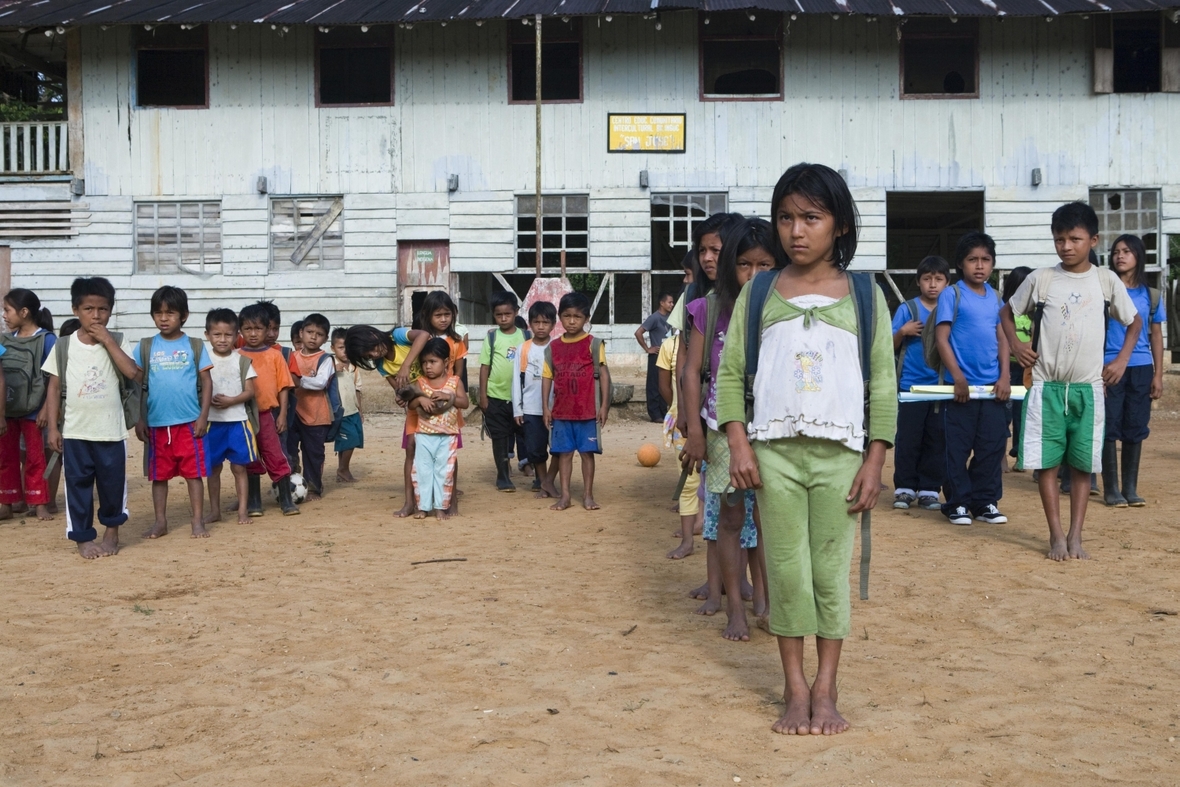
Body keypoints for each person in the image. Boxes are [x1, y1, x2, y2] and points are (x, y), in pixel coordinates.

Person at [718, 162, 896, 736]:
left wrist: (875, 459)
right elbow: (730, 375)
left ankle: (828, 686)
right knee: (787, 573)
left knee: (829, 575)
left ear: (839, 225)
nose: (797, 230)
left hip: (841, 458)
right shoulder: (759, 292)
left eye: (811, 218)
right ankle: (795, 690)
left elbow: (883, 385)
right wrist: (739, 443)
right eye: (786, 217)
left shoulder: (866, 294)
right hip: (773, 456)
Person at [1002, 202, 1140, 560]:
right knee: (1048, 464)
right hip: (1047, 387)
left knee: (1081, 466)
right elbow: (1007, 311)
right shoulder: (1041, 279)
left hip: (1089, 389)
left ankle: (1076, 535)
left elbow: (1135, 321)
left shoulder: (1105, 280)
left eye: (1075, 239)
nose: (1066, 246)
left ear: (1092, 240)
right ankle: (1055, 536)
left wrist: (1122, 360)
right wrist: (1018, 345)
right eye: (1059, 239)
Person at [681, 216, 775, 641]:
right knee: (731, 519)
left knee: (769, 521)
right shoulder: (708, 308)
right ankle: (735, 607)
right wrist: (695, 433)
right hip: (721, 430)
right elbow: (689, 372)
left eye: (765, 266)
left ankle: (768, 603)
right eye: (744, 265)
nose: (754, 276)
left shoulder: (782, 310)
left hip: (773, 429)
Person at [43, 278, 140, 558]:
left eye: (103, 309)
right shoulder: (63, 346)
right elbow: (53, 387)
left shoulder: (119, 340)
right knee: (77, 486)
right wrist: (53, 428)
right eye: (88, 309)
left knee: (113, 485)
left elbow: (132, 372)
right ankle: (83, 538)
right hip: (75, 432)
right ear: (76, 310)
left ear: (110, 311)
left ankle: (112, 534)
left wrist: (107, 340)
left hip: (111, 431)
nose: (96, 316)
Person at [934, 232, 1011, 526]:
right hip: (960, 390)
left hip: (993, 390)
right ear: (961, 264)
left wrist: (1004, 376)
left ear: (992, 264)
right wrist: (958, 377)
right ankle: (957, 503)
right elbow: (942, 339)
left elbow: (1002, 339)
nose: (979, 266)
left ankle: (985, 501)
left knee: (992, 446)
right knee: (957, 447)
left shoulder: (996, 298)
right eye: (972, 260)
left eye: (985, 260)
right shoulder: (951, 295)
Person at [135, 286, 213, 539]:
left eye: (170, 313)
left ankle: (197, 521)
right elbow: (136, 383)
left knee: (193, 475)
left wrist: (203, 416)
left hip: (189, 424)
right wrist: (140, 418)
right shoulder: (146, 347)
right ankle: (160, 522)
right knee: (159, 477)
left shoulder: (195, 345)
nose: (164, 318)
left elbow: (207, 382)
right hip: (157, 424)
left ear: (184, 316)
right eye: (158, 313)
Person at [1099, 234, 1164, 507]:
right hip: (1109, 366)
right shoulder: (1104, 291)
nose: (1120, 256)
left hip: (1141, 367)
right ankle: (1111, 490)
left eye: (1126, 251)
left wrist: (1158, 374)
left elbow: (1156, 336)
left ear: (1138, 256)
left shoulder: (1151, 295)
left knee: (1135, 426)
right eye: (1115, 252)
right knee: (1109, 426)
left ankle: (1130, 488)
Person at [393, 291, 468, 517]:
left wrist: (451, 396)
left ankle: (449, 501)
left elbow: (459, 374)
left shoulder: (456, 341)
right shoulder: (420, 340)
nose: (443, 319)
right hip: (421, 402)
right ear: (427, 315)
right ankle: (411, 503)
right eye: (438, 315)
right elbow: (412, 375)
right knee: (414, 454)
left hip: (448, 408)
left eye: (447, 314)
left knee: (448, 457)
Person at [541, 291, 611, 512]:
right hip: (561, 412)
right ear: (560, 317)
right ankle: (565, 496)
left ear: (587, 318)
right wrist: (545, 407)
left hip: (587, 411)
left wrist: (604, 406)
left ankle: (588, 496)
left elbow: (605, 375)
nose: (572, 321)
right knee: (564, 454)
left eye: (577, 317)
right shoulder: (552, 347)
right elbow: (547, 377)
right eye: (567, 316)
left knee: (587, 454)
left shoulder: (594, 344)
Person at [891, 255, 950, 510]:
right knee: (908, 438)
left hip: (940, 387)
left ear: (947, 283)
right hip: (911, 387)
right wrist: (902, 332)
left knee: (936, 439)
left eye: (938, 279)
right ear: (919, 282)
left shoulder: (951, 309)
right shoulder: (908, 309)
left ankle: (929, 490)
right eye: (927, 279)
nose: (933, 284)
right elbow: (886, 346)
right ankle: (904, 488)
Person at [238, 303, 299, 516]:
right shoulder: (237, 355)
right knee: (250, 456)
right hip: (243, 416)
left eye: (258, 329)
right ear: (241, 331)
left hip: (268, 414)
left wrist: (282, 414)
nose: (253, 334)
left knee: (276, 454)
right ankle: (254, 502)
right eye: (248, 329)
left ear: (267, 329)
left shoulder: (275, 356)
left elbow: (284, 387)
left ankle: (286, 500)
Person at [0, 288, 56, 521]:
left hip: (34, 411)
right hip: (8, 411)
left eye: (7, 310)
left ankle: (39, 502)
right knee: (5, 457)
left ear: (24, 312)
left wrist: (45, 409)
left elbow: (55, 376)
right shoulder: (4, 340)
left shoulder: (47, 339)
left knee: (36, 457)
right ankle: (7, 502)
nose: (4, 315)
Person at [202, 308, 259, 526]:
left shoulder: (242, 361)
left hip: (237, 423)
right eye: (217, 334)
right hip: (212, 424)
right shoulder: (203, 360)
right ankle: (215, 511)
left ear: (237, 336)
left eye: (228, 335)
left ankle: (243, 511)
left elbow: (250, 391)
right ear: (207, 334)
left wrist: (230, 401)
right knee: (213, 469)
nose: (223, 340)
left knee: (239, 468)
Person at [479, 290, 528, 491]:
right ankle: (503, 476)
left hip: (522, 399)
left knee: (525, 434)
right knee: (499, 437)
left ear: (516, 312)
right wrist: (483, 396)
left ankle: (534, 472)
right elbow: (484, 367)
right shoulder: (491, 338)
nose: (503, 318)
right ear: (493, 315)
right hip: (495, 396)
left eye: (507, 314)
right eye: (499, 315)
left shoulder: (526, 336)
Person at [512, 299, 559, 498]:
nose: (541, 327)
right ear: (529, 323)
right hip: (531, 408)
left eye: (545, 322)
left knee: (558, 448)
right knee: (536, 449)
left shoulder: (558, 347)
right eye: (536, 322)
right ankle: (542, 481)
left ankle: (549, 480)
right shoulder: (523, 348)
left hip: (556, 408)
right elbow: (516, 380)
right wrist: (518, 409)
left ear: (553, 325)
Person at [287, 313, 336, 501]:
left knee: (313, 453)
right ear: (301, 333)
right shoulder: (291, 356)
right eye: (309, 332)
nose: (313, 337)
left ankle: (314, 488)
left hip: (317, 415)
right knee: (289, 451)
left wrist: (296, 380)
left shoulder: (326, 360)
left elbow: (320, 383)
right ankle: (288, 484)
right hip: (292, 413)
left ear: (325, 338)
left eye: (319, 334)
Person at [1001, 266, 1033, 470]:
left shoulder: (1035, 312)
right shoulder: (1005, 310)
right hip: (1006, 369)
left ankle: (1022, 457)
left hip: (1027, 370)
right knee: (1003, 414)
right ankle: (1000, 457)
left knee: (1025, 415)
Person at [635, 292, 675, 423]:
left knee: (666, 383)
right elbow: (638, 332)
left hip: (668, 356)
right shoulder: (654, 317)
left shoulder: (671, 318)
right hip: (656, 356)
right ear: (662, 303)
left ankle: (664, 412)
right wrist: (648, 349)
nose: (672, 304)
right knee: (654, 384)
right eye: (669, 302)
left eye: (672, 302)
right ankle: (655, 413)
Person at [331, 327, 364, 483]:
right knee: (349, 439)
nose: (345, 351)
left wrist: (360, 410)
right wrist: (331, 370)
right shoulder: (330, 364)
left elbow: (358, 389)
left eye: (348, 347)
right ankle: (343, 469)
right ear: (333, 348)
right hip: (340, 412)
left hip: (353, 411)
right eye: (341, 347)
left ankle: (342, 471)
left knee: (351, 440)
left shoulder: (354, 367)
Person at [285, 319, 305, 471]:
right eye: (298, 342)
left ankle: (312, 480)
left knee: (311, 448)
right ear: (293, 342)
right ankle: (294, 473)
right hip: (291, 411)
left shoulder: (320, 359)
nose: (302, 346)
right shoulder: (287, 358)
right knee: (290, 447)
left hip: (311, 412)